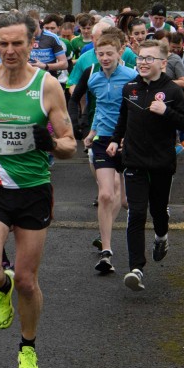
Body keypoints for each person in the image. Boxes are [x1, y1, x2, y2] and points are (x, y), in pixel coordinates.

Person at [0, 12, 77, 368]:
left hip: (34, 190)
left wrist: (52, 143)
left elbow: (71, 144)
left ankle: (27, 348)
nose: (9, 50)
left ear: (31, 43)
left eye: (17, 43)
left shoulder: (47, 86)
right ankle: (0, 287)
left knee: (27, 280)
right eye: (2, 43)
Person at [109, 38, 184, 291]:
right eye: (140, 58)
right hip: (134, 160)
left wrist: (166, 112)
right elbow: (123, 120)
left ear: (162, 63)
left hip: (161, 162)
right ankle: (136, 268)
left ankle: (161, 237)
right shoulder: (130, 88)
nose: (143, 63)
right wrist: (115, 140)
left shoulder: (172, 91)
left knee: (158, 211)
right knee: (136, 212)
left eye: (149, 59)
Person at [68, 29, 137, 274]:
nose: (105, 58)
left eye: (109, 53)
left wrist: (126, 138)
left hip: (127, 141)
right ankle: (106, 250)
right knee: (106, 194)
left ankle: (107, 229)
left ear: (120, 53)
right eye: (100, 54)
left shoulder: (132, 77)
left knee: (124, 198)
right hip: (101, 140)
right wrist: (91, 131)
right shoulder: (94, 78)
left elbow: (138, 112)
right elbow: (101, 108)